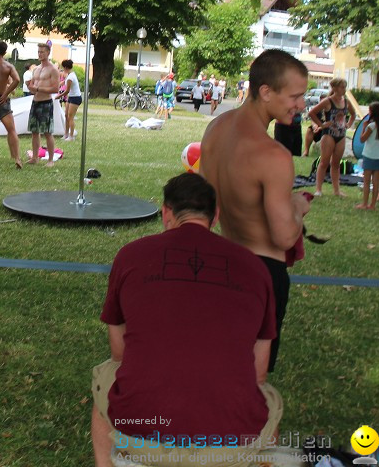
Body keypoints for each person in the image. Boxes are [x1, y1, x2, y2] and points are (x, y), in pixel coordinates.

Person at [91, 173, 282, 467]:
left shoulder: (130, 256)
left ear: (166, 212)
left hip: (140, 432)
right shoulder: (256, 268)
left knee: (104, 380)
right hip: (231, 444)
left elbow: (119, 354)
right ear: (215, 216)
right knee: (268, 401)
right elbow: (259, 373)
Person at [201, 49, 310, 372]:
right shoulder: (273, 155)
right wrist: (298, 207)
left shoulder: (216, 128)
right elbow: (284, 237)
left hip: (220, 263)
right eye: (296, 96)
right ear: (265, 92)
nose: (301, 105)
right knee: (252, 381)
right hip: (262, 274)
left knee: (219, 365)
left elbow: (210, 205)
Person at [309, 77, 355, 197]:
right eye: (342, 87)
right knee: (324, 162)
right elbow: (312, 113)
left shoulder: (346, 101)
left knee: (336, 163)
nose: (344, 89)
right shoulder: (328, 101)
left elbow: (353, 114)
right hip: (329, 134)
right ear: (334, 88)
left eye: (345, 87)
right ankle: (318, 189)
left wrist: (348, 124)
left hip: (341, 135)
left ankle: (337, 190)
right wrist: (322, 125)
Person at [27, 43, 60, 166]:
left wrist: (38, 89)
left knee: (47, 132)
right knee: (34, 131)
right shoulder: (36, 69)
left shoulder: (52, 69)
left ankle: (51, 160)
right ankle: (35, 157)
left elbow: (55, 88)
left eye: (42, 52)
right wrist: (30, 87)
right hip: (35, 101)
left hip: (46, 102)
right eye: (38, 52)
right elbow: (33, 87)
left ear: (48, 53)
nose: (40, 54)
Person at [356, 102, 379, 211]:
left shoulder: (371, 126)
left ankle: (364, 203)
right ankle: (372, 205)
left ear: (372, 112)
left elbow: (362, 139)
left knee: (366, 181)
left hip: (369, 155)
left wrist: (363, 128)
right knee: (376, 182)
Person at [60, 59, 81, 141]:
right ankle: (66, 134)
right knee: (66, 115)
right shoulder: (70, 75)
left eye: (63, 67)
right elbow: (63, 83)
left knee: (70, 117)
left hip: (76, 98)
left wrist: (59, 96)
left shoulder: (70, 77)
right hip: (71, 97)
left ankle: (71, 136)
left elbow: (67, 91)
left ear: (65, 67)